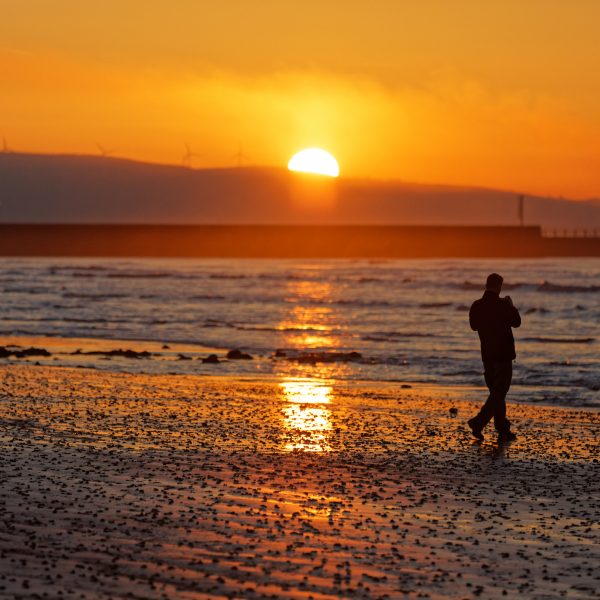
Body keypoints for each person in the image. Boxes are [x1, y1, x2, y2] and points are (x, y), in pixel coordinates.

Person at [468, 273, 521, 442]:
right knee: (500, 391)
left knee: (496, 393)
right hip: (503, 354)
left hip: (487, 354)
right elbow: (517, 322)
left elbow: (473, 326)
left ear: (486, 285)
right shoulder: (503, 305)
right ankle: (479, 421)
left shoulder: (477, 305)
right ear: (499, 287)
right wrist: (511, 306)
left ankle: (502, 429)